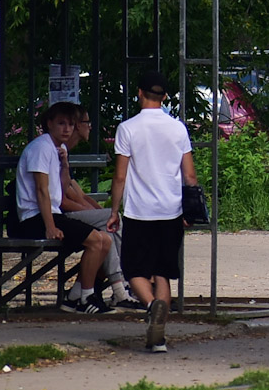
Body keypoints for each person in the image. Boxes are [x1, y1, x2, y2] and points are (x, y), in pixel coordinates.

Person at [107, 71, 199, 353]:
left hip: (139, 212)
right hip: (171, 212)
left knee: (133, 269)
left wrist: (114, 211)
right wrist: (190, 210)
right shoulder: (178, 128)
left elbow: (120, 177)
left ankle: (151, 306)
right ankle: (158, 339)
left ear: (139, 93)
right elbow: (190, 176)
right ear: (165, 97)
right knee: (162, 273)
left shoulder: (128, 128)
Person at [12, 102, 113, 313]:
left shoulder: (58, 148)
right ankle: (85, 298)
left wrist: (65, 164)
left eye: (70, 124)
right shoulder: (41, 147)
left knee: (105, 239)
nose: (66, 129)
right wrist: (50, 226)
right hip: (34, 218)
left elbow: (63, 184)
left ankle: (76, 295)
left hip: (54, 214)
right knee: (96, 241)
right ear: (49, 124)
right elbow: (42, 190)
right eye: (61, 123)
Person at [58, 108, 139, 308]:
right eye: (86, 122)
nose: (90, 127)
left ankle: (80, 292)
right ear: (77, 126)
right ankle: (122, 287)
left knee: (108, 230)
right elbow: (62, 200)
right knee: (110, 225)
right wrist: (101, 214)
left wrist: (97, 212)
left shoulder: (64, 153)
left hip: (73, 214)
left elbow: (79, 194)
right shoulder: (57, 152)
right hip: (57, 218)